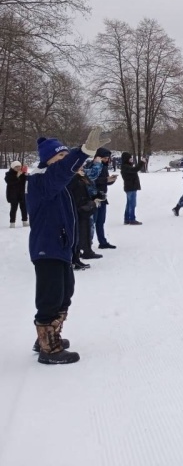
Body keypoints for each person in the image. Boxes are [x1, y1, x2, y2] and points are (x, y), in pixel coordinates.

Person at [28, 127, 109, 364]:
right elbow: (63, 171)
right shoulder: (41, 180)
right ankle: (48, 349)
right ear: (49, 160)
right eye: (60, 156)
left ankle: (47, 336)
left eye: (65, 155)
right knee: (50, 297)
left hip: (61, 247)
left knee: (65, 293)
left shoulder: (56, 184)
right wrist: (84, 151)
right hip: (47, 248)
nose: (64, 161)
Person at [86, 147, 118, 250]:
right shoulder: (92, 166)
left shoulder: (104, 167)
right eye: (105, 158)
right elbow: (91, 180)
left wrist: (110, 180)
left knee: (101, 221)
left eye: (108, 158)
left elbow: (103, 181)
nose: (107, 160)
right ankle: (87, 244)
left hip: (102, 197)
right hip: (94, 198)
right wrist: (105, 179)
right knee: (92, 222)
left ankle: (102, 241)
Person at [120, 151, 146, 225]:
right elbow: (135, 169)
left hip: (131, 187)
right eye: (130, 158)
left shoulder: (127, 166)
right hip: (130, 188)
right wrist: (141, 162)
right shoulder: (125, 167)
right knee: (132, 204)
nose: (131, 159)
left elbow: (134, 170)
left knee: (129, 204)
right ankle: (131, 219)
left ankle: (127, 219)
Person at [5, 160, 28, 228]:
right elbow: (9, 182)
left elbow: (26, 181)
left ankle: (25, 221)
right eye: (16, 167)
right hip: (13, 195)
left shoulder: (22, 173)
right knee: (13, 209)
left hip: (21, 194)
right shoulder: (9, 174)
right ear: (13, 167)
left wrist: (26, 174)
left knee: (24, 208)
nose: (18, 168)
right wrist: (17, 176)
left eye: (19, 166)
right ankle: (12, 223)